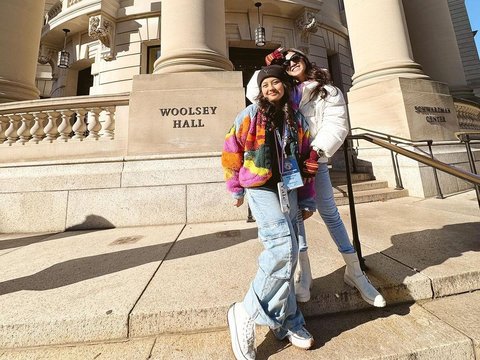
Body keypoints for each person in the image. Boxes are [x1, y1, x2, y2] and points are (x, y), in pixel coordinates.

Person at [246, 48, 386, 307]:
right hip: (287, 164)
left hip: (313, 162)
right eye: (285, 63)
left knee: (329, 212)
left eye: (295, 58)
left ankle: (355, 271)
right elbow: (255, 93)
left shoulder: (327, 90)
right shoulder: (284, 90)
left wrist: (315, 152)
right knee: (295, 216)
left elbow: (336, 125)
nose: (291, 64)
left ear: (306, 60)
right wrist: (269, 67)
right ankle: (305, 275)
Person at [222, 65, 316, 360]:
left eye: (276, 83)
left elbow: (306, 159)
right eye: (265, 85)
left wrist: (308, 199)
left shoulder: (297, 119)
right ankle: (246, 311)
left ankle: (288, 319)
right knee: (282, 247)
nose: (271, 88)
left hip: (288, 189)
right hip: (259, 187)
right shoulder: (249, 115)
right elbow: (230, 150)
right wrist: (235, 188)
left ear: (285, 87)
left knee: (289, 255)